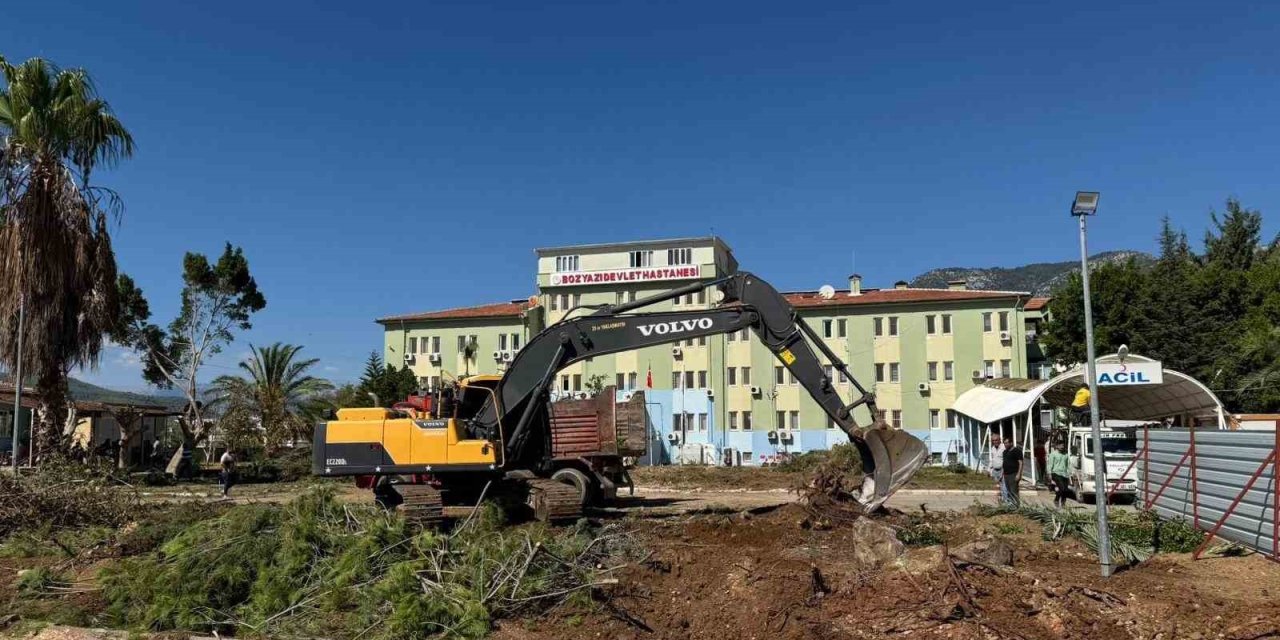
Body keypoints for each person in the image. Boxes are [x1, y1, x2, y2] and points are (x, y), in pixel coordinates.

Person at [1047, 440, 1071, 508]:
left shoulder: (1066, 455)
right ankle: (1056, 500)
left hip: (1064, 474)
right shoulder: (1053, 454)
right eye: (1060, 445)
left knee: (1066, 490)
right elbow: (1050, 465)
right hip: (1056, 473)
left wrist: (1069, 473)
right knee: (1062, 488)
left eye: (1063, 445)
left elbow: (1068, 465)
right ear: (1057, 446)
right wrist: (1049, 474)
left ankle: (1063, 502)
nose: (1062, 446)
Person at [1002, 436, 1023, 506]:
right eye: (1004, 443)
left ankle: (1017, 506)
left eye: (1007, 443)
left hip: (1013, 474)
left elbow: (1021, 463)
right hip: (1006, 474)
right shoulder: (1005, 452)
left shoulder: (1017, 451)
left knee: (1013, 491)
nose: (1005, 445)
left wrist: (1019, 474)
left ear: (1011, 443)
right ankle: (1011, 506)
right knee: (1008, 491)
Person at [988, 430, 1006, 502]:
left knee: (1004, 487)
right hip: (996, 470)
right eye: (993, 440)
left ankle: (1006, 501)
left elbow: (1006, 460)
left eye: (996, 440)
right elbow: (992, 459)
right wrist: (989, 469)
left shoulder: (1003, 447)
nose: (994, 442)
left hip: (1003, 469)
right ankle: (1000, 501)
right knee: (998, 487)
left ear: (1000, 440)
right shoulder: (993, 448)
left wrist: (1004, 471)